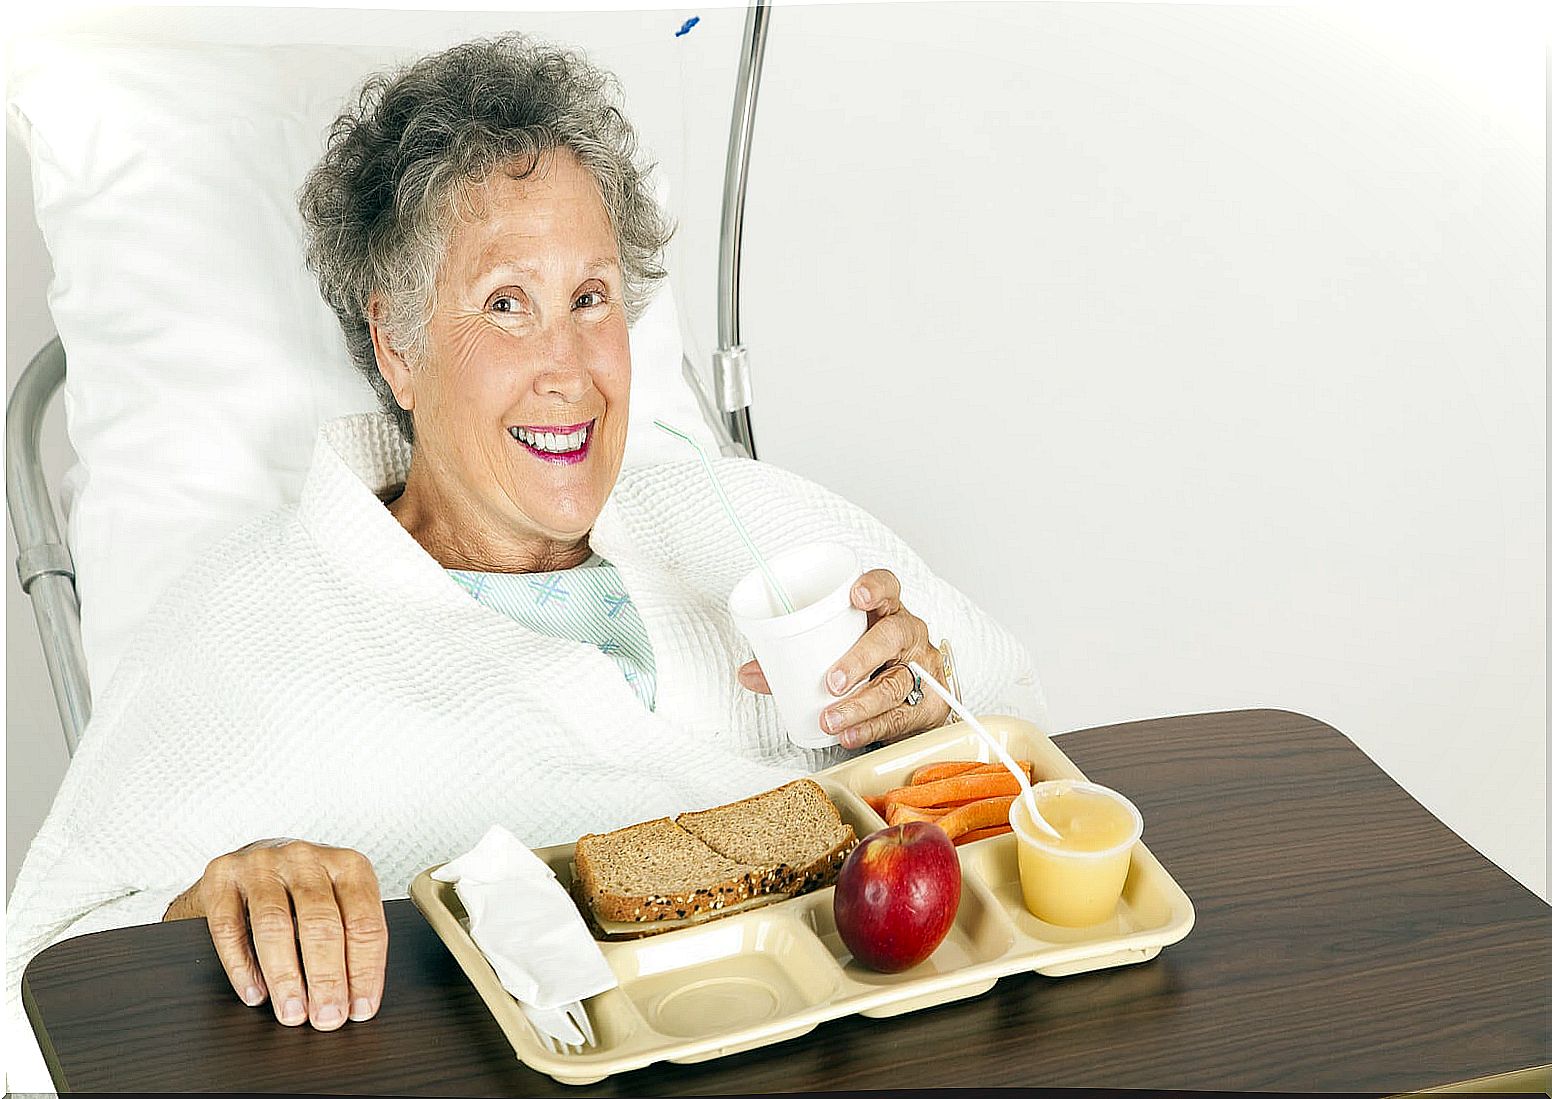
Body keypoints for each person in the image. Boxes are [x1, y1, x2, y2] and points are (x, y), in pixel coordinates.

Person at [5, 33, 1044, 1082]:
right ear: (398, 344)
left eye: (591, 299)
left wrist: (925, 725)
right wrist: (211, 908)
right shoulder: (246, 626)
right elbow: (36, 987)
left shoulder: (758, 523)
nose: (569, 369)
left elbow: (1039, 785)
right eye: (508, 304)